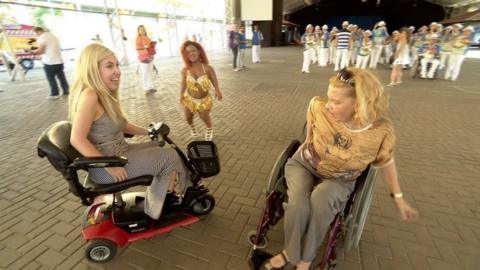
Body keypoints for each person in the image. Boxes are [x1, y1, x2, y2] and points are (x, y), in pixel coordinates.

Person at [261, 67, 419, 270]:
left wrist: (398, 198)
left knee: (321, 199)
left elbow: (386, 161)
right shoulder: (319, 107)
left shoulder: (380, 132)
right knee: (298, 205)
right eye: (329, 98)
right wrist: (309, 139)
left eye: (336, 102)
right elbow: (311, 117)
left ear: (359, 104)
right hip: (304, 165)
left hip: (340, 179)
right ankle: (290, 253)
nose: (328, 106)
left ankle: (305, 259)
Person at [68, 43, 188, 219]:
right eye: (109, 66)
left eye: (117, 65)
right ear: (92, 69)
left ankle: (162, 195)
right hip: (107, 165)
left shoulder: (103, 94)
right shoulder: (90, 96)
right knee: (169, 155)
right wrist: (110, 166)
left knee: (159, 143)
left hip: (118, 154)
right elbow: (76, 139)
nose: (117, 71)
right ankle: (162, 205)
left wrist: (149, 132)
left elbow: (122, 124)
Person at [179, 41, 223, 141]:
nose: (191, 53)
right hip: (189, 99)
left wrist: (217, 90)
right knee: (188, 118)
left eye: (193, 50)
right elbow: (183, 83)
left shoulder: (208, 68)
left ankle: (209, 128)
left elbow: (214, 79)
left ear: (199, 51)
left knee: (204, 116)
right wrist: (181, 95)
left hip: (204, 100)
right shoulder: (185, 70)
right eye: (188, 52)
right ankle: (192, 127)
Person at [30, 27, 69, 99]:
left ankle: (55, 94)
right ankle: (66, 91)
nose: (36, 35)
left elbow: (41, 51)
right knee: (62, 78)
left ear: (38, 31)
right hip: (59, 60)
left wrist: (32, 52)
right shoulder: (53, 36)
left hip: (50, 62)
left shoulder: (43, 37)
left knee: (51, 78)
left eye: (36, 33)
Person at [135, 25, 156, 94]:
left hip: (150, 57)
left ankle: (151, 87)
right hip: (143, 58)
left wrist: (152, 48)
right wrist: (145, 49)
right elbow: (137, 49)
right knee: (145, 73)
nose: (142, 30)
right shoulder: (138, 38)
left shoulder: (148, 38)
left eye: (143, 29)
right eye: (141, 29)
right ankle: (146, 88)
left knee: (150, 72)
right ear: (138, 31)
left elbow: (150, 47)